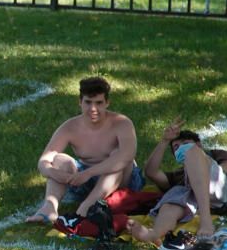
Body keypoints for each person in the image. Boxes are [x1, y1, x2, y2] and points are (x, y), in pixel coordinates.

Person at [26, 76, 143, 225]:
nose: (93, 109)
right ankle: (49, 208)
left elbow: (127, 156)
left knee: (117, 158)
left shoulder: (122, 123)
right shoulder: (70, 127)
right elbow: (44, 161)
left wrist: (88, 173)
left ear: (107, 103)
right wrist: (53, 172)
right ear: (80, 102)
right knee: (60, 159)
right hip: (85, 180)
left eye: (99, 103)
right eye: (88, 102)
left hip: (123, 182)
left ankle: (85, 208)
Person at [127, 119, 227, 250]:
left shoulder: (213, 155)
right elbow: (151, 172)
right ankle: (153, 234)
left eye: (186, 144)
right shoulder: (178, 175)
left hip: (218, 191)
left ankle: (206, 221)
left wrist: (201, 169)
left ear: (199, 144)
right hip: (192, 203)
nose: (182, 149)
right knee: (173, 199)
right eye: (176, 147)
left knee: (192, 154)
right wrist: (164, 141)